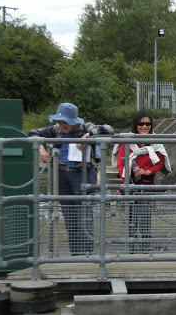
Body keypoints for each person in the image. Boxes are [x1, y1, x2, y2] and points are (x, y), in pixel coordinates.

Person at [28, 103, 114, 255]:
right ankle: (75, 252)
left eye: (66, 122)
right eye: (60, 121)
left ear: (74, 121)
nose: (62, 124)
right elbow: (32, 133)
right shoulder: (55, 130)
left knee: (84, 213)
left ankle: (86, 252)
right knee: (69, 215)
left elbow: (108, 129)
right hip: (61, 175)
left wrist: (87, 137)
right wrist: (40, 147)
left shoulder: (84, 127)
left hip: (82, 174)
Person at [112, 110, 171, 252]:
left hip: (147, 183)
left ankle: (145, 243)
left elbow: (160, 163)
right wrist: (126, 182)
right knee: (130, 216)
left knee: (145, 216)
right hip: (130, 183)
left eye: (148, 124)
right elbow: (121, 164)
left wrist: (147, 171)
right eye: (141, 124)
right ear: (135, 125)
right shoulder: (126, 141)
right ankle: (130, 244)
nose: (145, 127)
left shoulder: (155, 142)